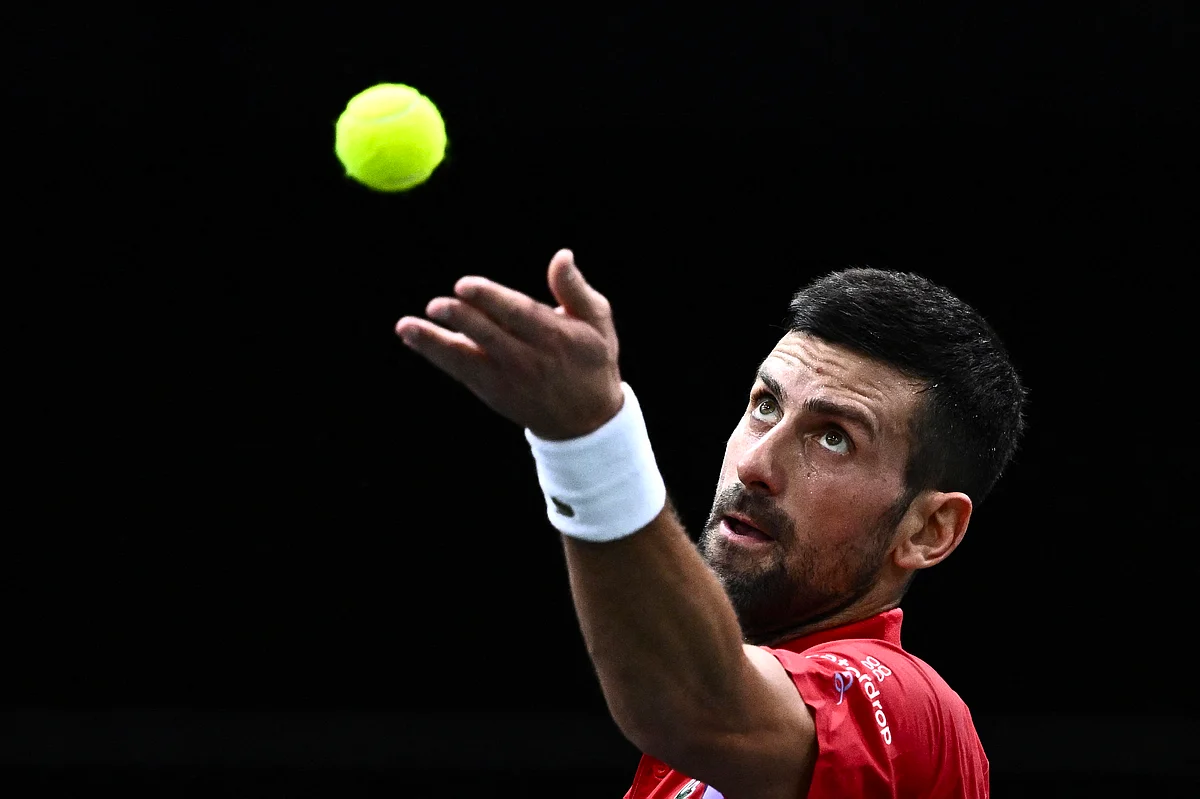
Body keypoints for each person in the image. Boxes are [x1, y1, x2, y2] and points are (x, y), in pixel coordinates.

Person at [394, 249, 1027, 798]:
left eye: (833, 438)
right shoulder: (682, 767)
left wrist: (588, 440)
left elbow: (697, 705)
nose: (755, 465)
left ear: (928, 530)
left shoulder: (915, 714)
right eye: (765, 405)